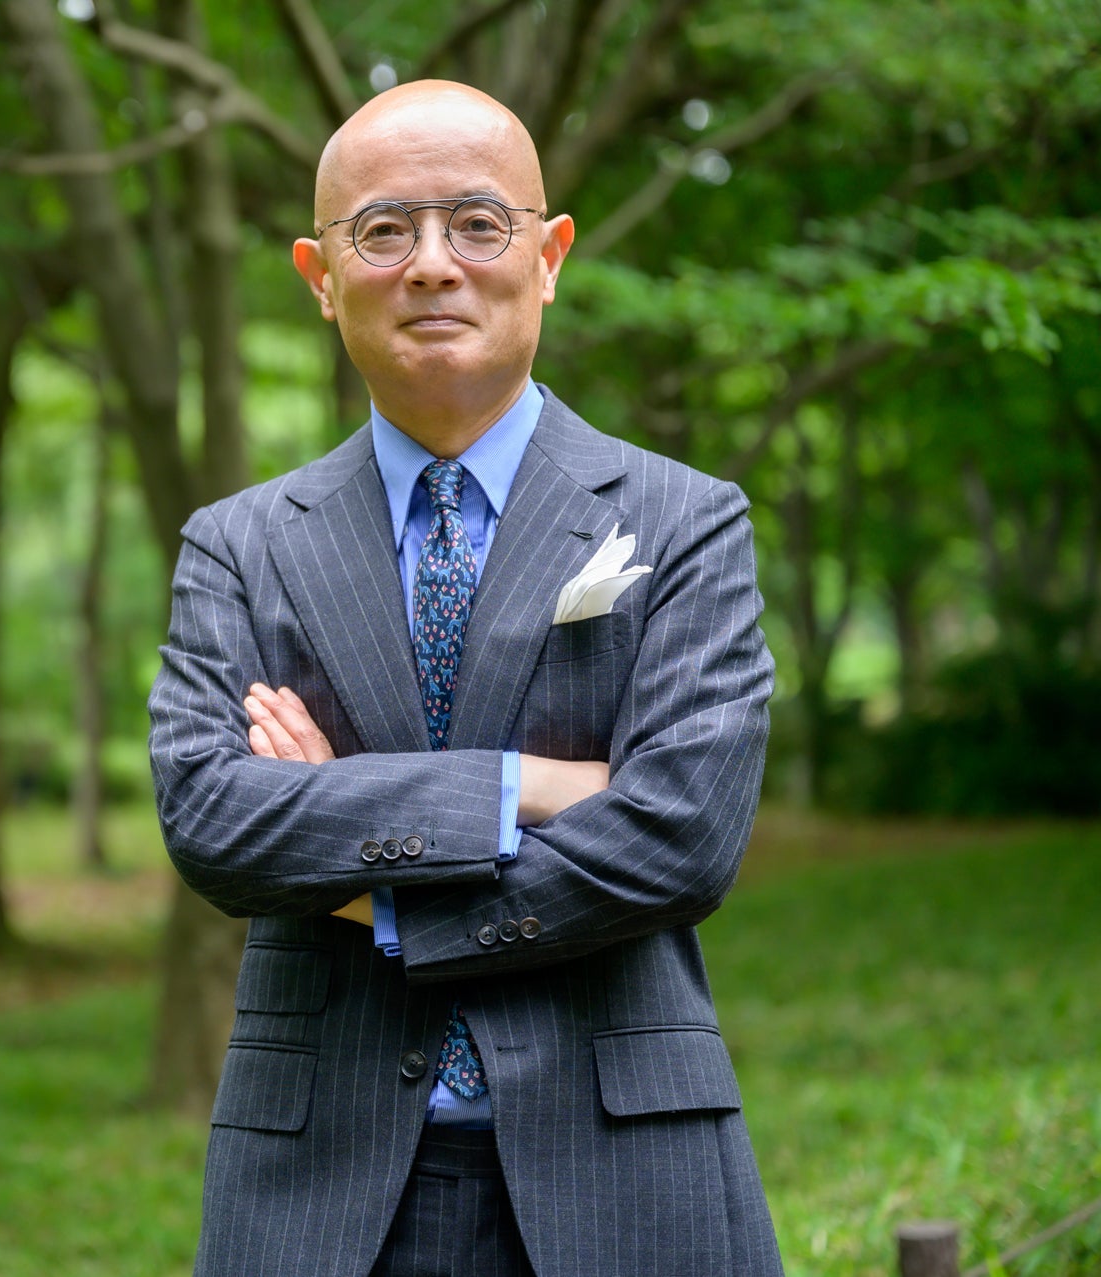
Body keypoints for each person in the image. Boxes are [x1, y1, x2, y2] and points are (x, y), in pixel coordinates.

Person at [148, 80, 784, 1277]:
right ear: (320, 275)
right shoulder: (239, 545)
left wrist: (375, 897)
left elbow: (682, 837)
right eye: (384, 230)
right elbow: (215, 822)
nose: (433, 264)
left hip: (626, 1166)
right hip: (318, 1182)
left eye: (479, 224)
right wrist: (523, 783)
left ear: (549, 258)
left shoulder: (685, 519)